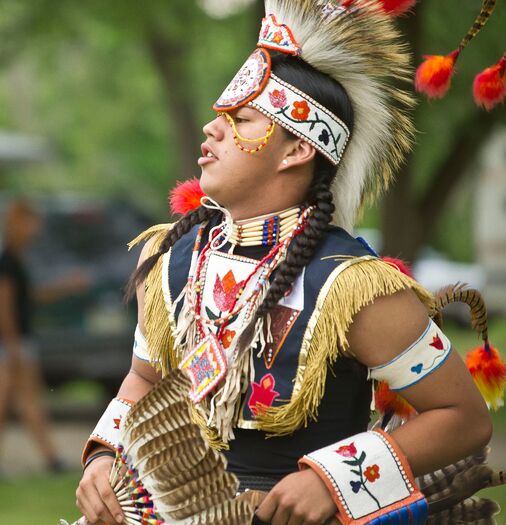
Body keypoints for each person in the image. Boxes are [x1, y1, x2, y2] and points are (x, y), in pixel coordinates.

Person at [76, 1, 495, 524]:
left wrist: (330, 480)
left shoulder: (353, 287)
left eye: (240, 119)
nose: (212, 130)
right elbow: (142, 379)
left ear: (296, 148)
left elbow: (464, 418)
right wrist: (103, 455)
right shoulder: (170, 261)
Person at [0, 199, 88, 474]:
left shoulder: (17, 259)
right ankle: (51, 458)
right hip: (11, 343)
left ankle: (51, 458)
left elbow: (29, 299)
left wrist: (65, 287)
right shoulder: (7, 262)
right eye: (30, 223)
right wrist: (13, 345)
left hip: (18, 342)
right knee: (12, 400)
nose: (35, 229)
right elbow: (4, 306)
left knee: (27, 401)